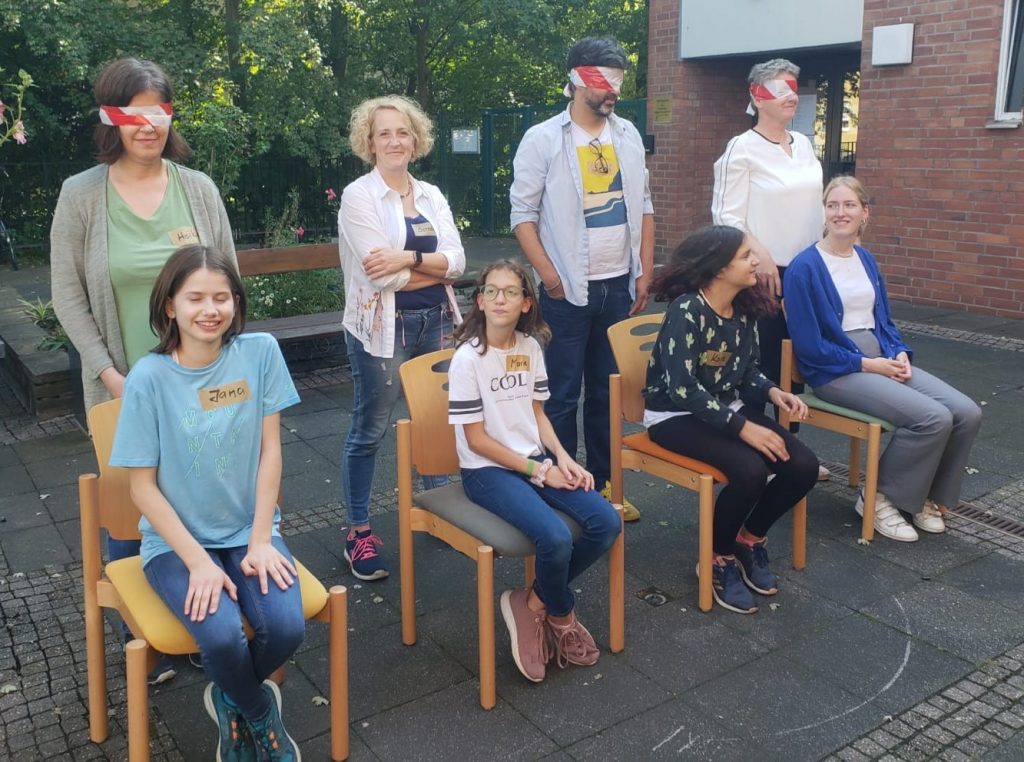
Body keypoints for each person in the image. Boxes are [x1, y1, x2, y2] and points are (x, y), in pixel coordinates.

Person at [50, 56, 236, 685]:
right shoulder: (82, 195)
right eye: (133, 113)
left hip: (201, 385)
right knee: (130, 503)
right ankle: (142, 636)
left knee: (201, 492)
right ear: (111, 119)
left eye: (158, 111)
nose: (147, 125)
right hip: (122, 384)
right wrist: (111, 376)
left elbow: (227, 282)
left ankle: (203, 611)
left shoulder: (198, 189)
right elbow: (68, 296)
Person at [109, 246, 303, 760]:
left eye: (222, 297)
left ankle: (230, 697)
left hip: (249, 530)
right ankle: (258, 713)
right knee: (219, 638)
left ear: (236, 303)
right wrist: (197, 562)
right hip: (176, 544)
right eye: (195, 298)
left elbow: (270, 452)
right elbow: (141, 487)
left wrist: (261, 538)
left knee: (287, 627)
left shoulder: (259, 353)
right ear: (170, 306)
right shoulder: (148, 378)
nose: (210, 309)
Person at [784, 176, 982, 542]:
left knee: (966, 412)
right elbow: (810, 348)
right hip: (836, 372)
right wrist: (867, 364)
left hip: (879, 359)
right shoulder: (804, 268)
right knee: (932, 418)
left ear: (865, 213)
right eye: (832, 205)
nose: (840, 213)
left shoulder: (866, 259)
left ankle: (922, 497)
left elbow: (884, 322)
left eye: (849, 205)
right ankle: (877, 498)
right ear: (824, 212)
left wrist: (898, 352)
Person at [448, 260, 620, 682]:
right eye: (491, 291)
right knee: (555, 538)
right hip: (487, 471)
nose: (500, 299)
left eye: (511, 292)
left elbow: (538, 414)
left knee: (606, 522)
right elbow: (477, 441)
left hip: (534, 460)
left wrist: (563, 457)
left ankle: (531, 602)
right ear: (480, 301)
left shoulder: (529, 348)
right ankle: (561, 615)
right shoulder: (468, 360)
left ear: (526, 303)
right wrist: (540, 471)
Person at [510, 36, 654, 522]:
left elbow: (645, 205)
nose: (613, 91)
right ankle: (563, 487)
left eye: (618, 81)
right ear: (575, 80)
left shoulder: (627, 135)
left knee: (607, 391)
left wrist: (643, 270)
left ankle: (606, 483)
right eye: (603, 81)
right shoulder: (544, 139)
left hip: (619, 285)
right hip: (567, 290)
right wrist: (550, 278)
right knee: (560, 393)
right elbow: (522, 214)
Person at [643, 226, 818, 614]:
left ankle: (748, 540)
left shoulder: (743, 309)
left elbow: (748, 371)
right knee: (750, 471)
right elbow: (683, 390)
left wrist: (773, 392)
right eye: (745, 256)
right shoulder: (687, 311)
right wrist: (744, 428)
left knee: (803, 466)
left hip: (724, 407)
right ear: (720, 268)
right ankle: (717, 557)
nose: (756, 261)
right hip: (673, 416)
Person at [338, 95, 465, 580]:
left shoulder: (430, 194)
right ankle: (358, 532)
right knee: (370, 429)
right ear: (369, 143)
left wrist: (409, 259)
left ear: (416, 140)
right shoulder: (359, 196)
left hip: (437, 320)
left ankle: (438, 511)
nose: (394, 141)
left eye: (402, 132)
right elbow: (380, 275)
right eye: (384, 133)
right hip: (382, 327)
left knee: (436, 420)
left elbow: (458, 263)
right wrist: (433, 268)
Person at [711, 57, 830, 481]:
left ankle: (790, 452)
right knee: (760, 367)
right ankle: (759, 455)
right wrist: (758, 252)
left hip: (806, 270)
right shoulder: (741, 149)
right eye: (780, 89)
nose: (791, 96)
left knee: (794, 365)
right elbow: (725, 216)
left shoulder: (805, 144)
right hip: (765, 274)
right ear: (757, 97)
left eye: (794, 87)